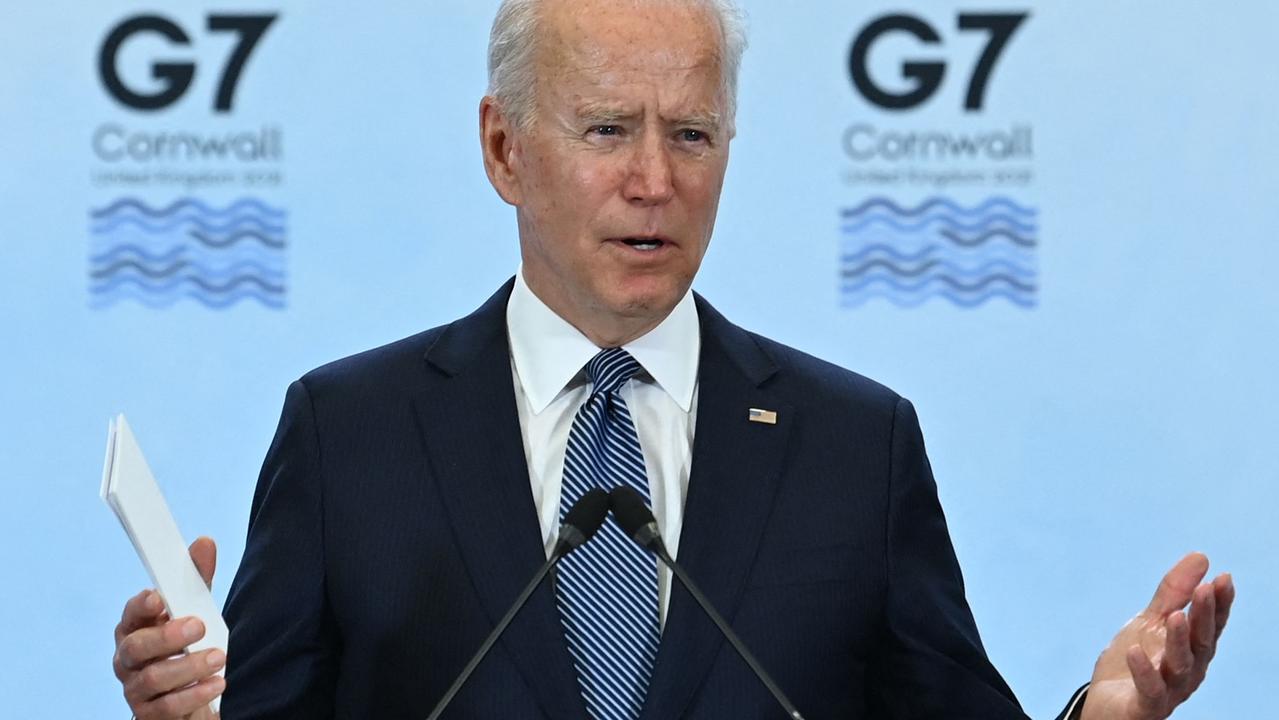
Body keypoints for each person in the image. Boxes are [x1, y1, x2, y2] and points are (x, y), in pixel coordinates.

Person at [111, 0, 1235, 718]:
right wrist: (178, 716)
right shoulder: (348, 430)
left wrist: (1107, 717)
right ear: (505, 148)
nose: (656, 180)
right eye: (606, 130)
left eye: (691, 135)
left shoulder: (856, 443)